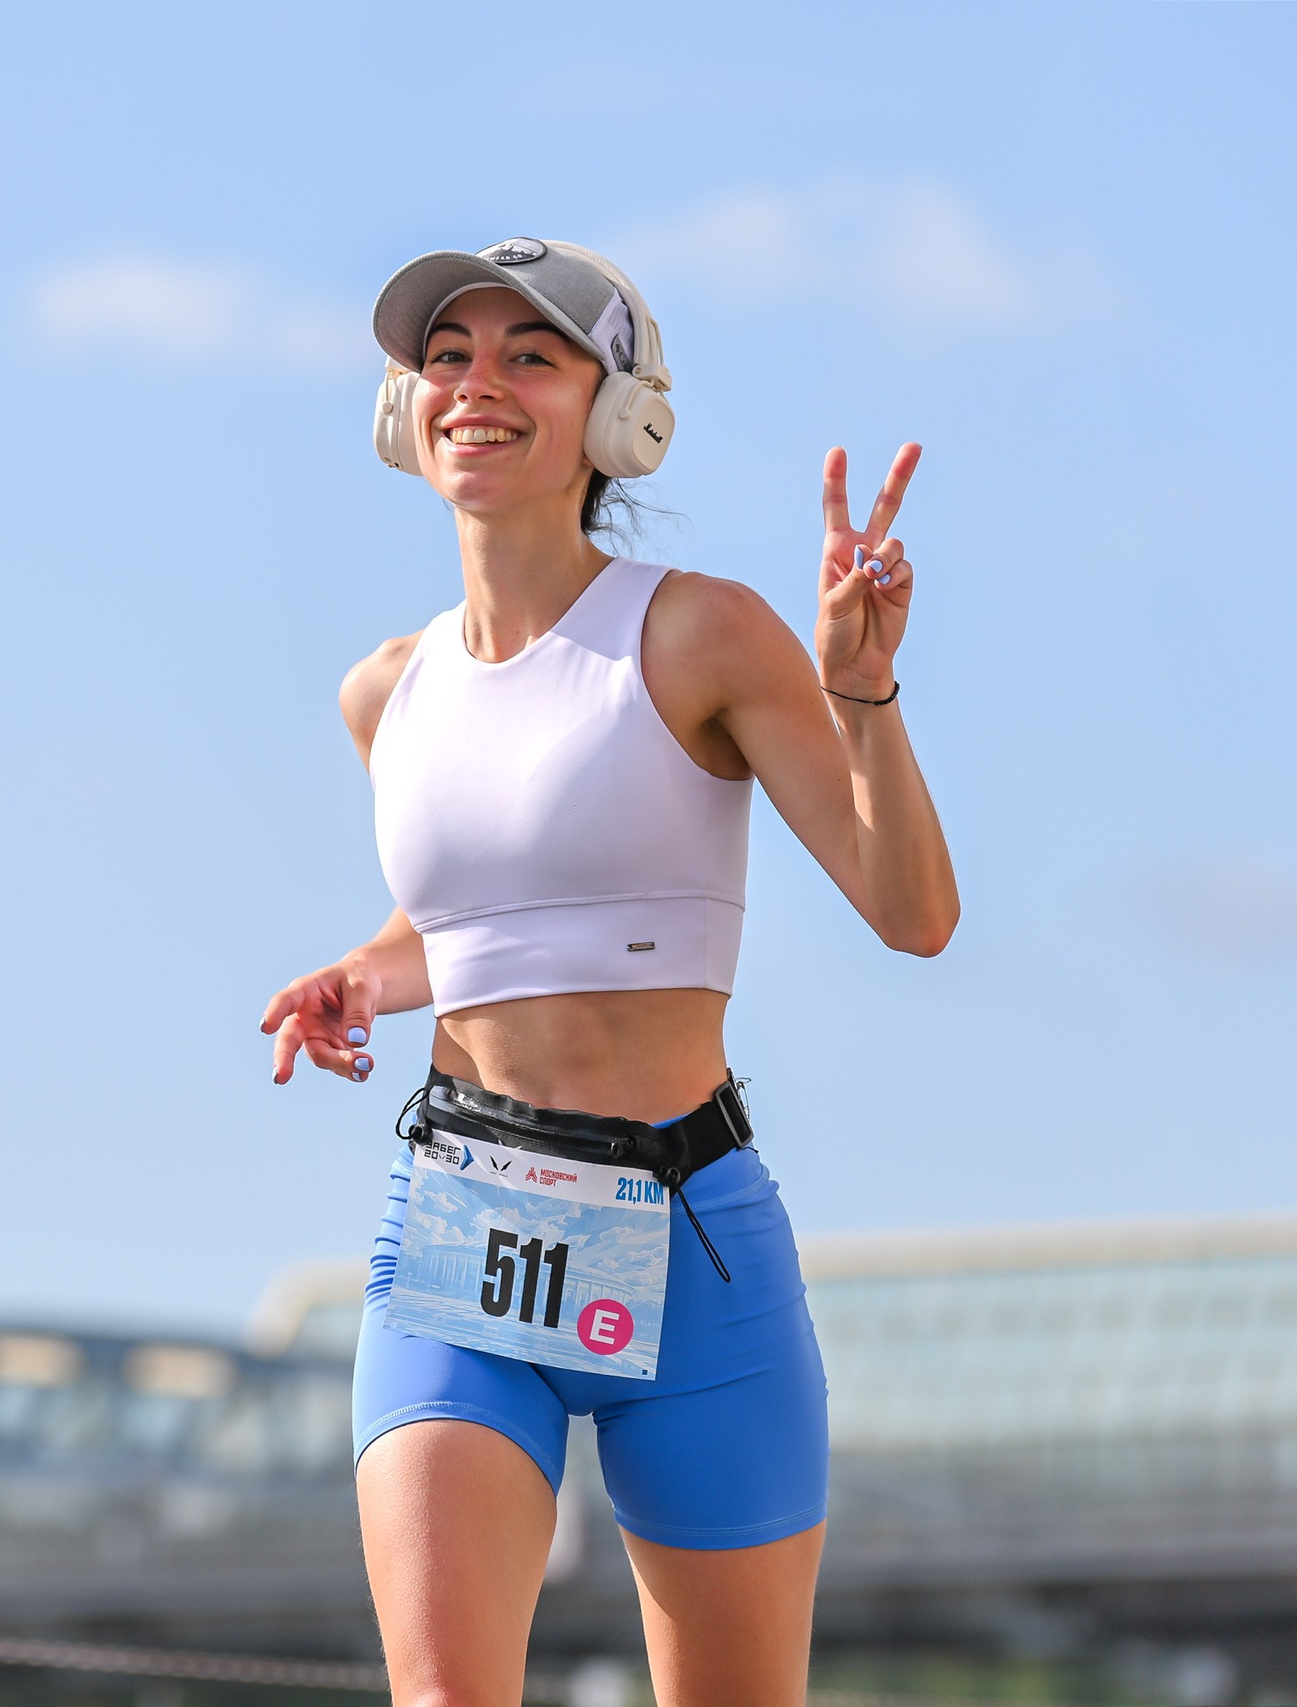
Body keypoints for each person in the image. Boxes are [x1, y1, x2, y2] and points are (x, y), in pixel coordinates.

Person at [259, 238, 961, 1707]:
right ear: (407, 406)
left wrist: (861, 691)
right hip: (467, 1220)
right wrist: (363, 975)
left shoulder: (700, 631)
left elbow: (913, 913)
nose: (479, 386)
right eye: (449, 356)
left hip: (692, 1234)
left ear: (619, 411)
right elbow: (477, 918)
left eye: (533, 356)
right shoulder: (385, 691)